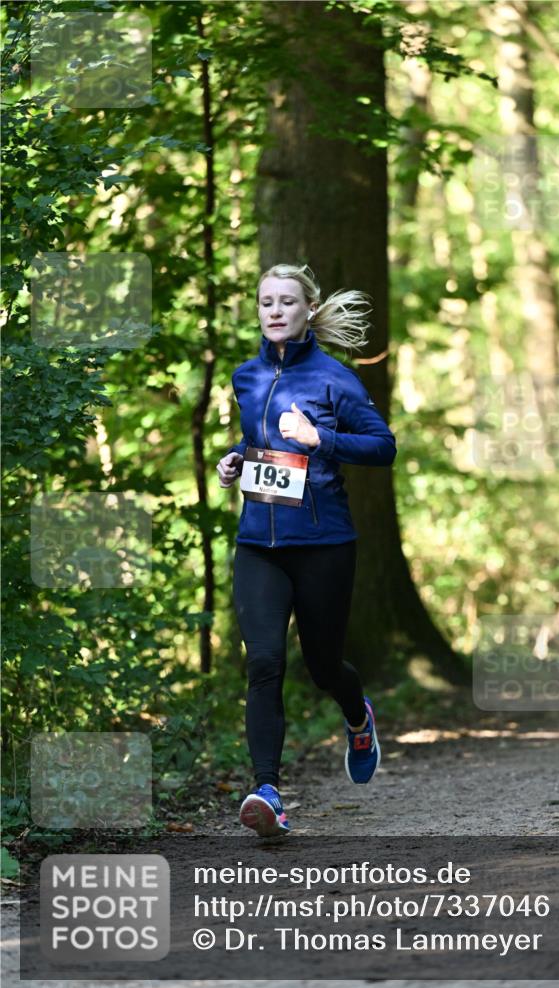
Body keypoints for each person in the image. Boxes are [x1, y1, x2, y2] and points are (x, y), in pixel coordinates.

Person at [217, 263, 397, 837]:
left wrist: (322, 439)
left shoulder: (333, 379)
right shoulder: (245, 376)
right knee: (265, 661)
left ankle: (356, 713)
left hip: (323, 545)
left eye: (286, 301)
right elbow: (257, 443)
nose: (274, 310)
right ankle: (266, 790)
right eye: (266, 301)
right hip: (259, 545)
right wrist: (235, 461)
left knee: (322, 666)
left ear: (307, 309)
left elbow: (383, 447)